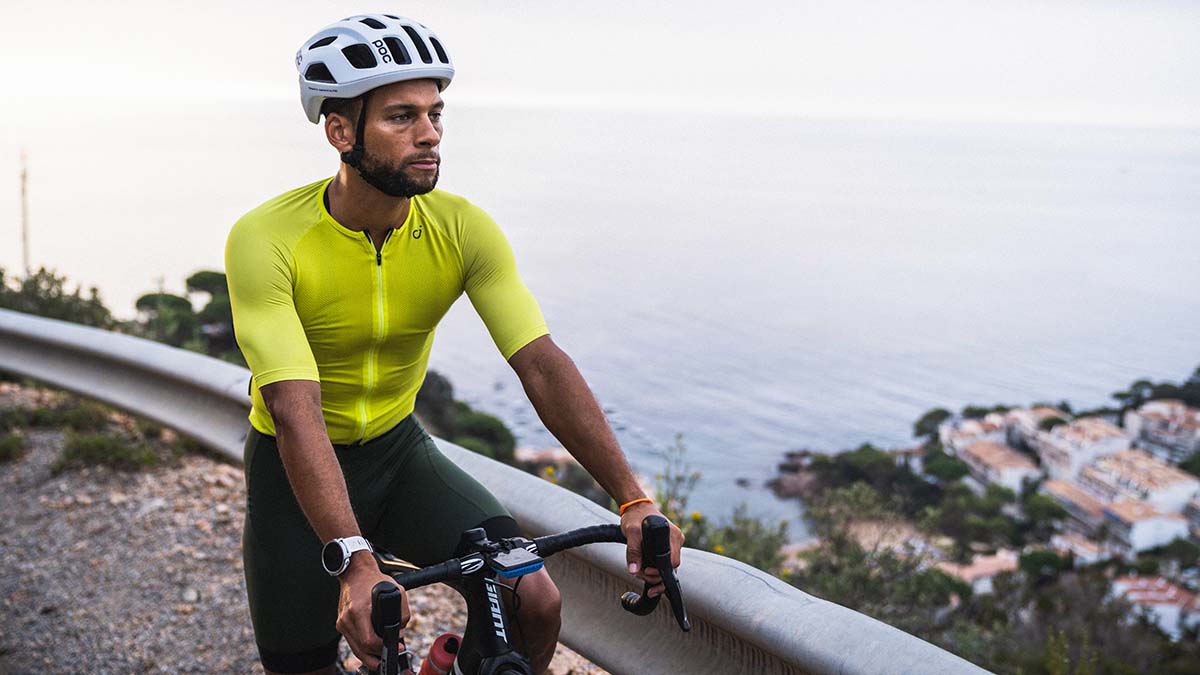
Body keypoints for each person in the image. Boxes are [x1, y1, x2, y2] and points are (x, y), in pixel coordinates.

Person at [225, 13, 684, 675]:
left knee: (532, 595)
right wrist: (355, 560)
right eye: (401, 116)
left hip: (398, 452)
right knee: (303, 665)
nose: (430, 134)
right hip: (291, 472)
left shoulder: (463, 229)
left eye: (436, 113)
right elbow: (295, 407)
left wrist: (633, 499)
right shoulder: (265, 238)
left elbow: (542, 364)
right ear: (339, 131)